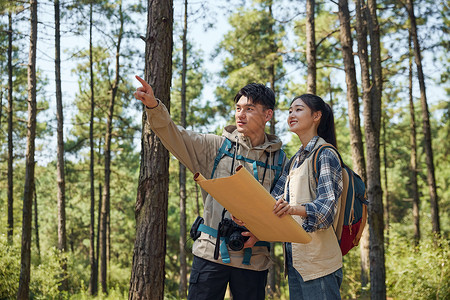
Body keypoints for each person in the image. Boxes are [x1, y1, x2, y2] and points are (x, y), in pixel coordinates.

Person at [133, 75, 286, 300]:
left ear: (267, 115)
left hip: (254, 261)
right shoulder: (216, 147)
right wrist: (154, 107)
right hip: (210, 255)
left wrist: (261, 231)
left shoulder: (280, 161)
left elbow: (284, 212)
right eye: (238, 108)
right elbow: (174, 134)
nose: (240, 114)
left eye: (249, 109)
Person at [271, 94, 344, 299]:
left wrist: (293, 209)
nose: (292, 114)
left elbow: (326, 210)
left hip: (319, 264)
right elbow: (273, 200)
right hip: (295, 264)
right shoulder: (294, 160)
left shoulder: (326, 154)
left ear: (316, 116)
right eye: (290, 111)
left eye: (298, 109)